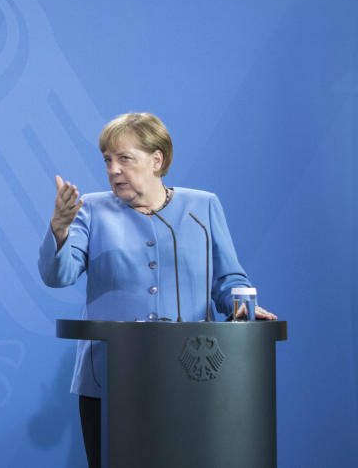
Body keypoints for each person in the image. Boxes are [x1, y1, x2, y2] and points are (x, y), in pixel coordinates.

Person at [36, 112, 275, 468]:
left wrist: (241, 305)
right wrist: (59, 230)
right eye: (107, 160)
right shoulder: (91, 211)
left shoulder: (203, 207)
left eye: (124, 159)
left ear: (156, 159)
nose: (113, 169)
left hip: (190, 377)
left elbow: (228, 280)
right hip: (110, 379)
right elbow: (59, 275)